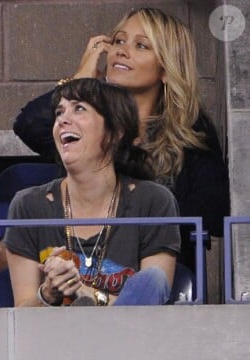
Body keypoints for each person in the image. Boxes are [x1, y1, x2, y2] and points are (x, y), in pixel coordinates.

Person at [12, 7, 229, 273]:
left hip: (156, 272)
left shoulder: (191, 130)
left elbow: (214, 212)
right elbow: (29, 124)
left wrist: (136, 220)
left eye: (141, 45)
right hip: (77, 272)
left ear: (166, 67)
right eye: (118, 41)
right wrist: (81, 78)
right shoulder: (85, 123)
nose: (122, 51)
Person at [4, 78, 180, 307]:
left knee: (152, 279)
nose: (63, 120)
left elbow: (152, 300)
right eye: (59, 112)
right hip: (55, 338)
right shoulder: (28, 206)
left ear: (115, 131)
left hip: (129, 338)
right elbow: (23, 313)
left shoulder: (153, 201)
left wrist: (83, 292)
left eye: (79, 109)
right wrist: (48, 293)